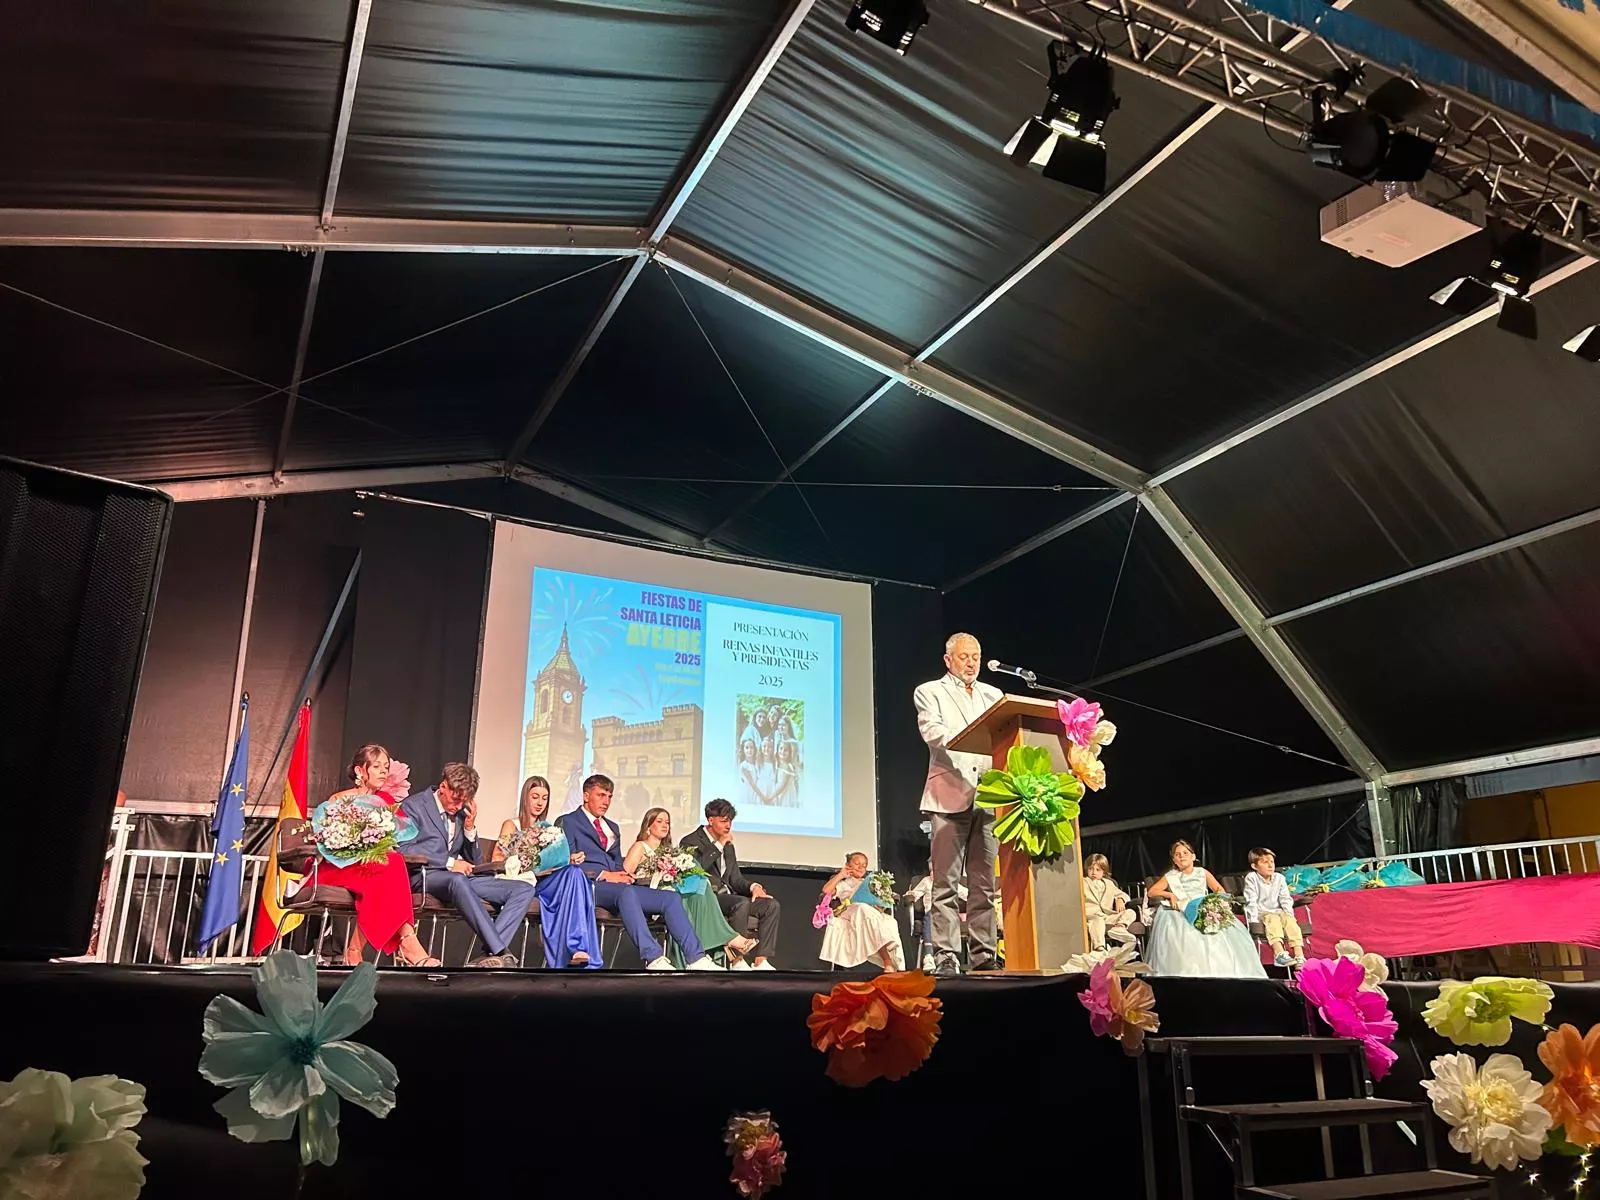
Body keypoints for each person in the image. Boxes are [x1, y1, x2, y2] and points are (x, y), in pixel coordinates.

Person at [557, 775, 720, 971]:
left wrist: (624, 875)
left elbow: (616, 861)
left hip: (616, 886)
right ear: (585, 796)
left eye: (609, 796)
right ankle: (653, 957)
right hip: (587, 885)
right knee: (626, 893)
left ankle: (696, 958)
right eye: (601, 795)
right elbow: (566, 863)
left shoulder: (612, 827)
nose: (606, 801)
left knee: (669, 898)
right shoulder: (568, 822)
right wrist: (604, 875)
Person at [914, 632, 1002, 976]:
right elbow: (932, 733)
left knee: (984, 884)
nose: (971, 663)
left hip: (990, 798)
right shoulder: (930, 691)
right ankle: (948, 954)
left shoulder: (994, 695)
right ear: (948, 659)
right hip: (948, 796)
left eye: (976, 657)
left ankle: (984, 954)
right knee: (946, 884)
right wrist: (971, 737)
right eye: (964, 656)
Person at [401, 763, 534, 968]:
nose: (458, 806)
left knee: (523, 889)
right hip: (426, 876)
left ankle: (489, 953)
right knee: (457, 879)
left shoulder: (462, 814)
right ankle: (501, 950)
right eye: (455, 799)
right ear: (443, 786)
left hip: (460, 880)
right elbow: (404, 849)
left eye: (464, 801)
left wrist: (470, 828)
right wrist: (450, 862)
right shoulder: (414, 806)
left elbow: (477, 861)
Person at [321, 745, 440, 968]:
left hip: (374, 867)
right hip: (341, 866)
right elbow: (331, 840)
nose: (384, 772)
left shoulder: (386, 802)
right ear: (359, 771)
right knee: (388, 870)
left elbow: (399, 835)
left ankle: (359, 949)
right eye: (376, 767)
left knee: (389, 864)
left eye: (386, 767)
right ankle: (405, 943)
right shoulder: (339, 799)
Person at [493, 775, 603, 969]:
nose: (539, 803)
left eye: (544, 798)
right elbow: (497, 860)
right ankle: (572, 947)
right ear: (525, 797)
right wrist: (525, 859)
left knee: (575, 872)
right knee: (574, 877)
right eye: (535, 796)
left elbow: (551, 863)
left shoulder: (550, 829)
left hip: (545, 881)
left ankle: (577, 948)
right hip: (523, 883)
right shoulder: (512, 824)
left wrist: (567, 859)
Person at [624, 808, 756, 968]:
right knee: (687, 895)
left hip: (671, 892)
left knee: (701, 886)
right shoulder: (640, 846)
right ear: (648, 826)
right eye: (659, 821)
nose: (665, 825)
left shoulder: (669, 851)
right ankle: (724, 942)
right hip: (652, 896)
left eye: (667, 822)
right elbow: (626, 874)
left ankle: (700, 956)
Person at [680, 798, 782, 971]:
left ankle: (760, 961)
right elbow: (697, 870)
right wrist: (719, 845)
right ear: (711, 820)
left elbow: (735, 879)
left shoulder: (727, 845)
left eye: (730, 821)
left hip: (728, 896)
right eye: (724, 821)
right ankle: (737, 959)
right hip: (707, 898)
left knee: (771, 905)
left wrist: (753, 887)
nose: (728, 825)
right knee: (740, 903)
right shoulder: (690, 841)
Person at [1144, 840, 1266, 979]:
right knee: (1181, 933)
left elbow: (1219, 889)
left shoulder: (1202, 872)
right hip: (1181, 910)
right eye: (1177, 855)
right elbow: (1152, 892)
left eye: (1185, 853)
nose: (1182, 856)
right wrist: (1170, 895)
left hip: (1202, 906)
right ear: (1174, 860)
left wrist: (1215, 902)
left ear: (1193, 856)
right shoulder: (1171, 876)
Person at [819, 852, 905, 971]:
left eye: (864, 865)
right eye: (857, 863)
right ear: (848, 865)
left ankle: (895, 964)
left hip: (868, 912)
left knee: (890, 921)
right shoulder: (845, 883)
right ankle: (887, 960)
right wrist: (841, 874)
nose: (861, 867)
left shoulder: (871, 883)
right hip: (850, 910)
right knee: (863, 908)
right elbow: (826, 890)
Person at [1243, 846, 1305, 967]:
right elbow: (1251, 901)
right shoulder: (1252, 878)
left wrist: (1289, 915)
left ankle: (1299, 956)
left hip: (1278, 912)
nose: (1270, 865)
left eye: (1272, 862)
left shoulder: (1279, 878)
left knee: (1289, 920)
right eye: (1265, 862)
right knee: (1273, 918)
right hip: (1261, 913)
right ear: (1254, 866)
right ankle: (1279, 953)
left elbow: (1285, 899)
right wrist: (1253, 921)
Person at [1083, 853, 1139, 952]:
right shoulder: (1083, 882)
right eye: (1091, 869)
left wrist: (1120, 899)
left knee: (1130, 912)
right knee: (1097, 920)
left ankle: (1119, 928)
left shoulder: (1109, 884)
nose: (1094, 872)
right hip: (1091, 916)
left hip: (1107, 916)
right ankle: (1099, 947)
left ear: (1104, 871)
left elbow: (1124, 895)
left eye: (1098, 870)